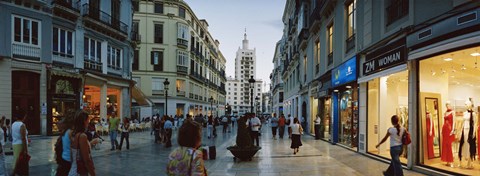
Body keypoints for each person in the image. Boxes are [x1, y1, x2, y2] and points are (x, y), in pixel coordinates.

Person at [69, 110, 96, 176]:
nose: (88, 122)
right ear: (84, 121)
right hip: (79, 172)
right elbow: (86, 160)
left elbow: (77, 149)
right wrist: (93, 174)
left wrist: (90, 143)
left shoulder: (72, 133)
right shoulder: (82, 136)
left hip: (73, 169)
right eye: (88, 120)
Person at [56, 110, 75, 176]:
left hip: (64, 158)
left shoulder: (65, 131)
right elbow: (75, 147)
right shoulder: (71, 132)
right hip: (69, 160)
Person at [12, 110, 29, 175]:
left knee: (16, 159)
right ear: (23, 116)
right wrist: (25, 150)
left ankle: (15, 172)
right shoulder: (22, 125)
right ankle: (16, 173)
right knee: (20, 160)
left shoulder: (13, 124)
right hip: (20, 144)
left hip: (15, 143)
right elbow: (23, 138)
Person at [441, 102, 454, 166]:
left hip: (449, 130)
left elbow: (454, 122)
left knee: (449, 145)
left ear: (450, 105)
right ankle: (447, 160)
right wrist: (442, 130)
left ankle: (451, 160)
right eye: (446, 105)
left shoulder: (452, 112)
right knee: (445, 145)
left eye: (448, 105)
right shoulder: (445, 113)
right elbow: (444, 122)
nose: (447, 106)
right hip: (445, 129)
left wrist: (453, 130)